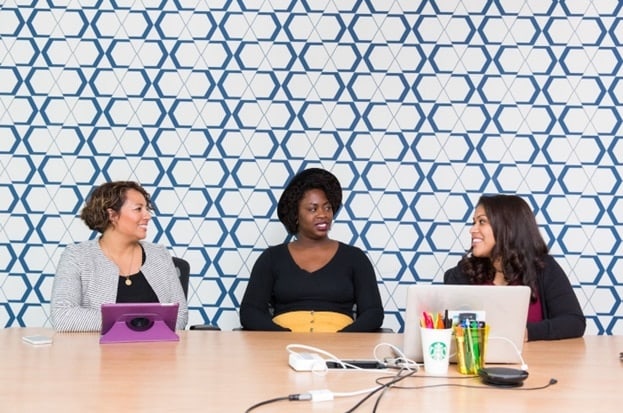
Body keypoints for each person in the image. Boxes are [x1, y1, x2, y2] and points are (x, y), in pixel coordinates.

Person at [239, 168, 384, 332]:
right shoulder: (272, 258)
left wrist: (343, 338)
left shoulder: (355, 258)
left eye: (327, 208)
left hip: (340, 349)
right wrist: (282, 337)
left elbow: (373, 312)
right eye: (313, 209)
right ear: (296, 215)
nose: (323, 215)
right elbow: (250, 312)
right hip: (282, 346)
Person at [444, 194, 586, 341]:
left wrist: (525, 333)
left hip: (535, 361)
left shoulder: (543, 267)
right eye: (474, 222)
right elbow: (447, 326)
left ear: (508, 227)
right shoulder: (464, 271)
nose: (472, 230)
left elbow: (574, 322)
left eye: (482, 222)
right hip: (477, 360)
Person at [51, 181, 188, 332]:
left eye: (147, 209)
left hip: (157, 352)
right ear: (112, 215)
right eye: (138, 209)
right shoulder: (77, 256)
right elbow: (62, 316)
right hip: (98, 354)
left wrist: (123, 322)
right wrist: (135, 322)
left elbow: (180, 315)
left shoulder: (160, 255)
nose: (147, 216)